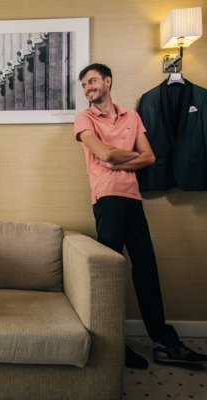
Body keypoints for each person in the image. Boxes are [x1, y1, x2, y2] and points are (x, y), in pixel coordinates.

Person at [74, 63, 207, 369]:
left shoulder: (132, 117)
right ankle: (112, 345)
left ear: (108, 81)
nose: (87, 88)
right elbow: (104, 154)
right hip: (107, 198)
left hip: (133, 198)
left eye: (92, 81)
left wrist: (118, 158)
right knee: (109, 273)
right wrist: (125, 156)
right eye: (84, 85)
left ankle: (164, 344)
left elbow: (149, 157)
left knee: (146, 269)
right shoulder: (84, 118)